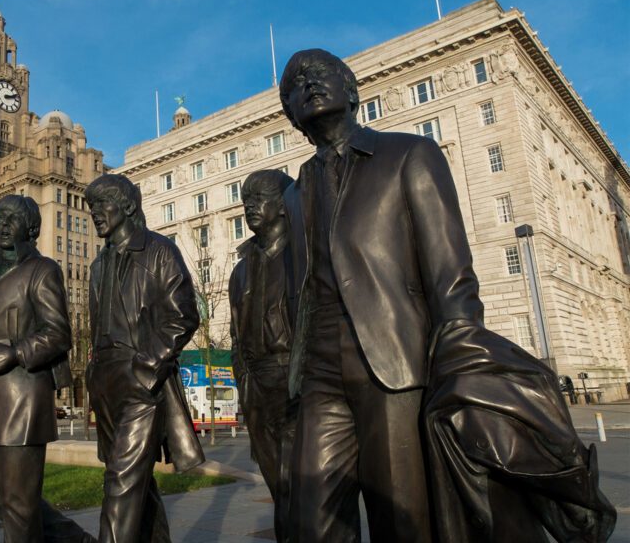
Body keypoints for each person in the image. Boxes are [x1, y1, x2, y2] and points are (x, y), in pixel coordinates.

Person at [279, 49, 615, 542]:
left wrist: (460, 356)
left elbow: (450, 274)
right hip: (319, 372)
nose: (307, 82)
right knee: (312, 520)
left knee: (403, 517)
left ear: (351, 90)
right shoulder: (294, 192)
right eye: (294, 82)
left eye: (320, 72)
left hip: (394, 362)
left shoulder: (409, 155)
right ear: (289, 113)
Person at [0, 194, 93, 543]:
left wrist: (15, 352)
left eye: (13, 219)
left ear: (31, 227)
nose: (3, 225)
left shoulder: (42, 269)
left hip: (21, 396)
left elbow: (58, 333)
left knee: (18, 505)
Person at [85, 174, 204, 543]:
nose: (95, 214)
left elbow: (183, 314)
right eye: (91, 208)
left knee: (120, 482)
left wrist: (148, 367)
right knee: (136, 481)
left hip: (140, 380)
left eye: (102, 204)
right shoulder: (97, 266)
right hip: (105, 382)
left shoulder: (158, 250)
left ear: (128, 205)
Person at [229, 169, 296, 542]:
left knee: (306, 489)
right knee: (280, 491)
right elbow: (237, 335)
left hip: (297, 383)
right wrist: (243, 379)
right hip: (257, 388)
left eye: (260, 198)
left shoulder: (304, 254)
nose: (250, 206)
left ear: (284, 205)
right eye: (246, 200)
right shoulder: (240, 271)